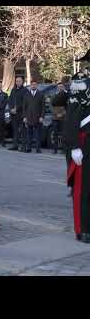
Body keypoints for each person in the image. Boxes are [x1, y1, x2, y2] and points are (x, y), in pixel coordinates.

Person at [65, 70, 90, 242]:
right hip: (83, 143)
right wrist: (74, 146)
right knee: (83, 189)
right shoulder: (81, 84)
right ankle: (83, 228)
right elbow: (72, 117)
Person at [23, 80, 45, 153]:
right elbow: (24, 107)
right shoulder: (26, 94)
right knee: (29, 134)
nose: (33, 86)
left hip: (38, 117)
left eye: (35, 85)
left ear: (37, 85)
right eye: (32, 85)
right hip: (28, 117)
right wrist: (24, 117)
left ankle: (38, 149)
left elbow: (43, 107)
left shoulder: (41, 94)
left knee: (37, 134)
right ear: (30, 86)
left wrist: (42, 116)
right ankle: (28, 148)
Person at [7, 76, 28, 151]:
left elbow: (25, 102)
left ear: (22, 82)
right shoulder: (13, 90)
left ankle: (23, 146)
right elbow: (10, 100)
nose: (17, 82)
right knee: (15, 130)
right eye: (16, 81)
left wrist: (17, 108)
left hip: (21, 113)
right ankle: (15, 145)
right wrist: (11, 109)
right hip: (13, 114)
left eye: (19, 81)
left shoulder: (25, 90)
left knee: (23, 131)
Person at [50, 82, 68, 154]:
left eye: (61, 86)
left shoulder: (67, 95)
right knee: (55, 134)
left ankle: (64, 149)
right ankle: (55, 149)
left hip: (64, 117)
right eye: (59, 87)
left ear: (64, 87)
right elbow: (51, 106)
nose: (60, 88)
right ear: (57, 88)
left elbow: (68, 106)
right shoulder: (53, 95)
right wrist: (56, 113)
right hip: (55, 117)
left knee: (64, 134)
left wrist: (62, 113)